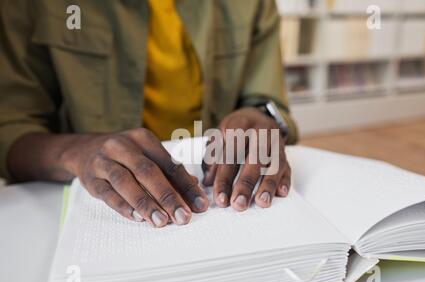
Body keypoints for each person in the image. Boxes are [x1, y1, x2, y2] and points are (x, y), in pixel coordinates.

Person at [0, 0, 298, 228]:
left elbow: (268, 100)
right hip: (63, 211)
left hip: (220, 202)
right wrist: (75, 152)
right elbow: (10, 128)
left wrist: (261, 118)